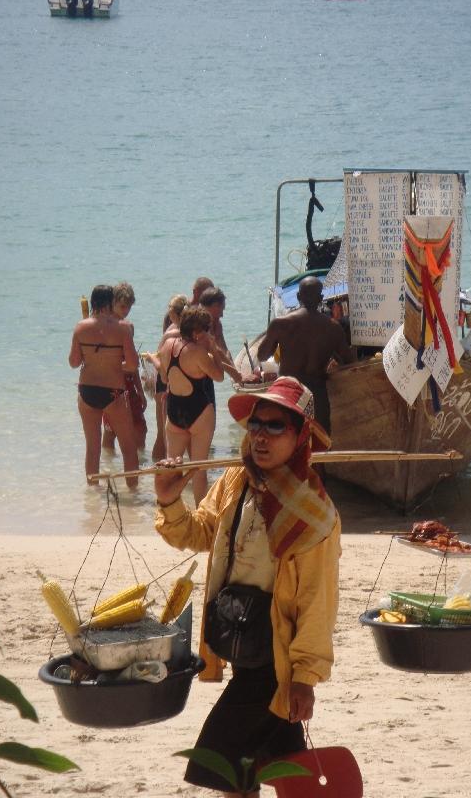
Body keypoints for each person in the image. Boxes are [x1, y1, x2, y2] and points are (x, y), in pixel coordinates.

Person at [154, 376, 341, 797]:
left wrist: (305, 678)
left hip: (276, 662)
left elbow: (318, 600)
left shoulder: (314, 514)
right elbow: (200, 532)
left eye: (276, 427)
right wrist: (168, 500)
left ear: (300, 436)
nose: (261, 435)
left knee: (222, 761)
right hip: (241, 640)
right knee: (267, 763)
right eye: (256, 424)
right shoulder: (236, 484)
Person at [256, 276, 353, 434]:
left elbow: (262, 355)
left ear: (298, 296)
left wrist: (275, 340)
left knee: (285, 440)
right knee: (320, 444)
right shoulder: (333, 328)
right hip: (317, 395)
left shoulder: (280, 324)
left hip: (288, 391)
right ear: (321, 298)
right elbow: (348, 362)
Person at [68, 285, 139, 489]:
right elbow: (133, 365)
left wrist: (91, 358)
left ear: (92, 302)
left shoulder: (81, 327)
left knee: (93, 447)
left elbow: (73, 362)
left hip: (87, 390)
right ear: (111, 302)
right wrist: (115, 364)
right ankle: (133, 493)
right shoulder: (122, 328)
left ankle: (93, 496)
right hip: (113, 391)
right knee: (128, 447)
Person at [159, 306, 224, 505]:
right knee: (198, 470)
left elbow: (163, 377)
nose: (209, 333)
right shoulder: (197, 352)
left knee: (172, 470)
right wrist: (213, 349)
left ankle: (171, 517)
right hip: (200, 412)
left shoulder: (167, 346)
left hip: (174, 411)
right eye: (207, 329)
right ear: (197, 332)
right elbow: (219, 376)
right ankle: (201, 519)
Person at [102, 282, 148, 451]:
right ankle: (109, 464)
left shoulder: (128, 326)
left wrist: (140, 391)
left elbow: (132, 360)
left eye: (129, 306)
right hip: (111, 383)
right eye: (122, 306)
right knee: (110, 430)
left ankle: (139, 462)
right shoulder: (104, 327)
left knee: (139, 428)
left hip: (128, 381)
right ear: (112, 303)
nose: (126, 310)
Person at [145, 294, 188, 462]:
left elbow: (162, 366)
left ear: (172, 315)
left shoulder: (169, 334)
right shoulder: (194, 332)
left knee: (164, 435)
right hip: (187, 386)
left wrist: (151, 358)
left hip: (166, 384)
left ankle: (158, 475)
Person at [199, 286, 242, 383]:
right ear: (214, 305)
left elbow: (224, 349)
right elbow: (216, 351)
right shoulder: (200, 324)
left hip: (206, 370)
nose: (222, 315)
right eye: (221, 310)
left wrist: (236, 371)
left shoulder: (217, 323)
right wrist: (236, 376)